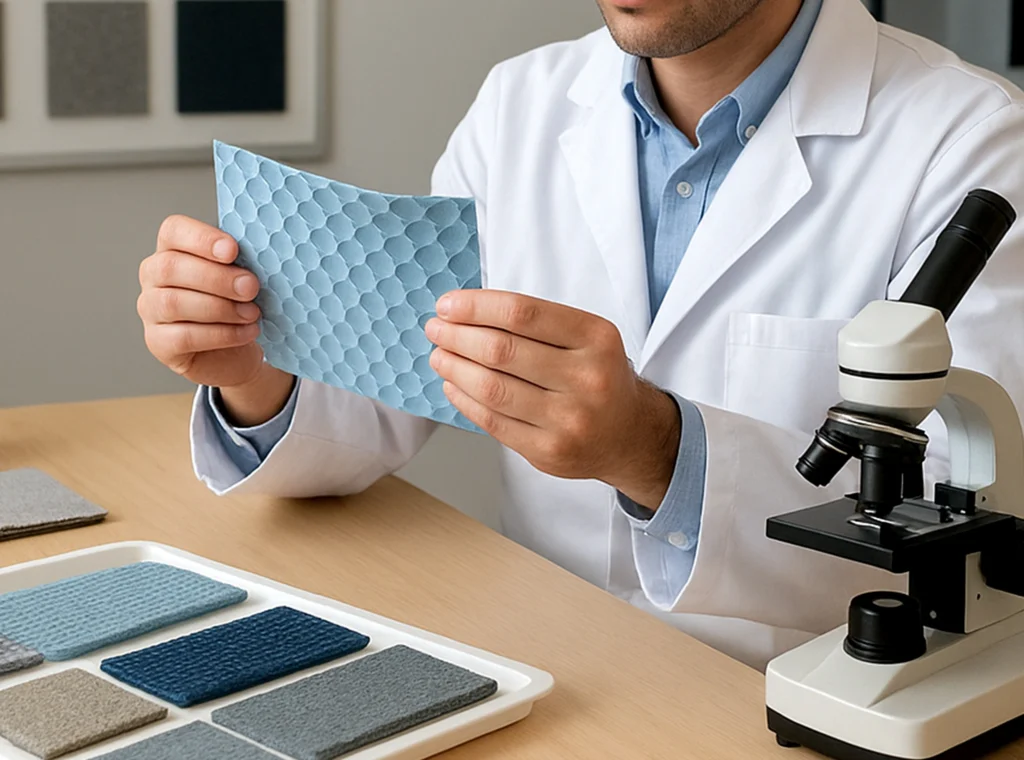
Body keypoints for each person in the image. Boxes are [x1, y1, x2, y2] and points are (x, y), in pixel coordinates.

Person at [136, 0, 1024, 670]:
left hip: (802, 690)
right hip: (540, 662)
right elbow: (390, 403)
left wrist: (656, 450)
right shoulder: (520, 103)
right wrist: (256, 370)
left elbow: (970, 535)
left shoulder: (973, 142)